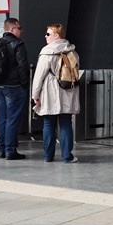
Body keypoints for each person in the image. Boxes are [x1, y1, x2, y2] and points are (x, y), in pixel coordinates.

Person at [31, 24, 80, 163]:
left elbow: (39, 76)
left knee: (48, 124)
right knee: (65, 124)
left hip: (49, 93)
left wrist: (35, 95)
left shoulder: (47, 52)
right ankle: (67, 156)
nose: (45, 36)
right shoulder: (72, 51)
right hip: (68, 92)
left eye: (48, 34)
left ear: (56, 35)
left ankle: (48, 156)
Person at [0, 18, 29, 160]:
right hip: (14, 87)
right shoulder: (17, 44)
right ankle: (10, 151)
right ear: (12, 29)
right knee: (12, 119)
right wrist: (25, 83)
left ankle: (2, 149)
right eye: (19, 28)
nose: (21, 30)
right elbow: (23, 66)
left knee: (3, 118)